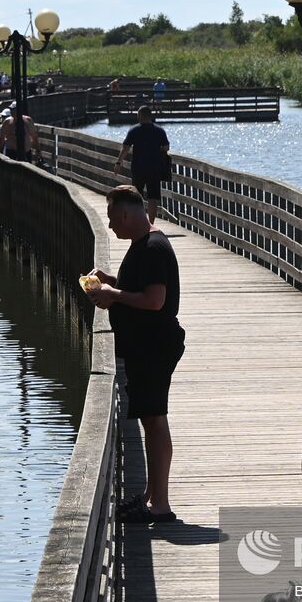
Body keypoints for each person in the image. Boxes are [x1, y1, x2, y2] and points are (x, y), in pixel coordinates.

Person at [86, 186, 185, 523]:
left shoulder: (154, 247)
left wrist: (113, 294)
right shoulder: (143, 245)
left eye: (113, 218)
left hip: (154, 345)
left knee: (155, 421)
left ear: (127, 214)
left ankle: (161, 505)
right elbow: (140, 287)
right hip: (146, 344)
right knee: (151, 419)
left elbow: (155, 300)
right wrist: (110, 281)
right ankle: (151, 495)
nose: (111, 226)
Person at [113, 106, 170, 223]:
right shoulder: (159, 131)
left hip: (138, 168)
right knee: (152, 198)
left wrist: (119, 162)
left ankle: (139, 222)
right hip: (154, 168)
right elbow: (166, 147)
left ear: (140, 116)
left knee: (136, 197)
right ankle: (151, 223)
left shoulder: (134, 130)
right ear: (150, 116)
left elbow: (125, 148)